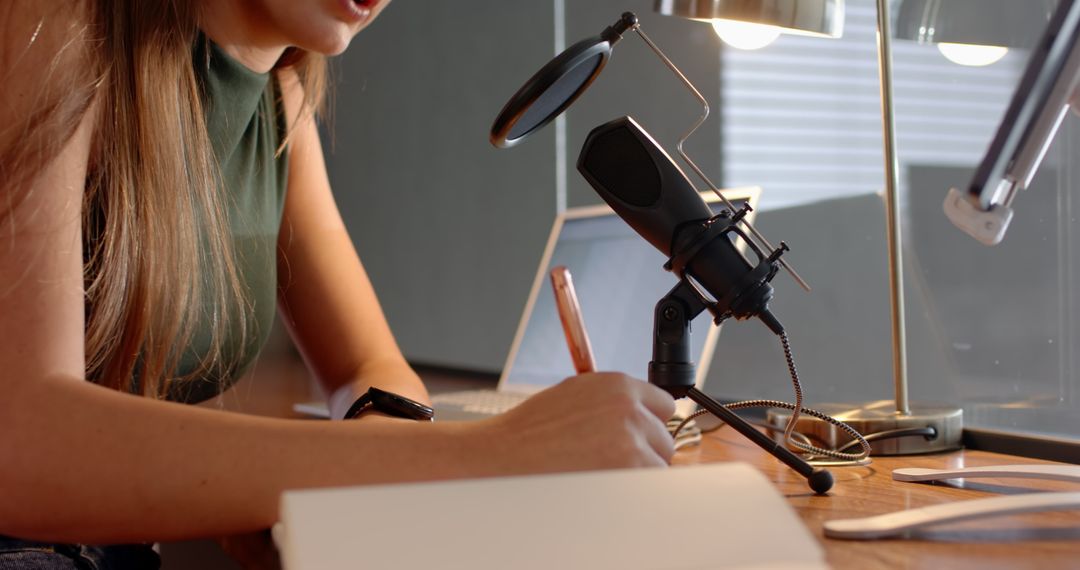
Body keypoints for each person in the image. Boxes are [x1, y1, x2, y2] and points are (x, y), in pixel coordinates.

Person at [0, 0, 676, 567]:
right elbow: (22, 438)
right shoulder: (55, 22)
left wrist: (384, 448)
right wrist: (488, 452)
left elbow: (366, 366)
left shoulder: (279, 98)